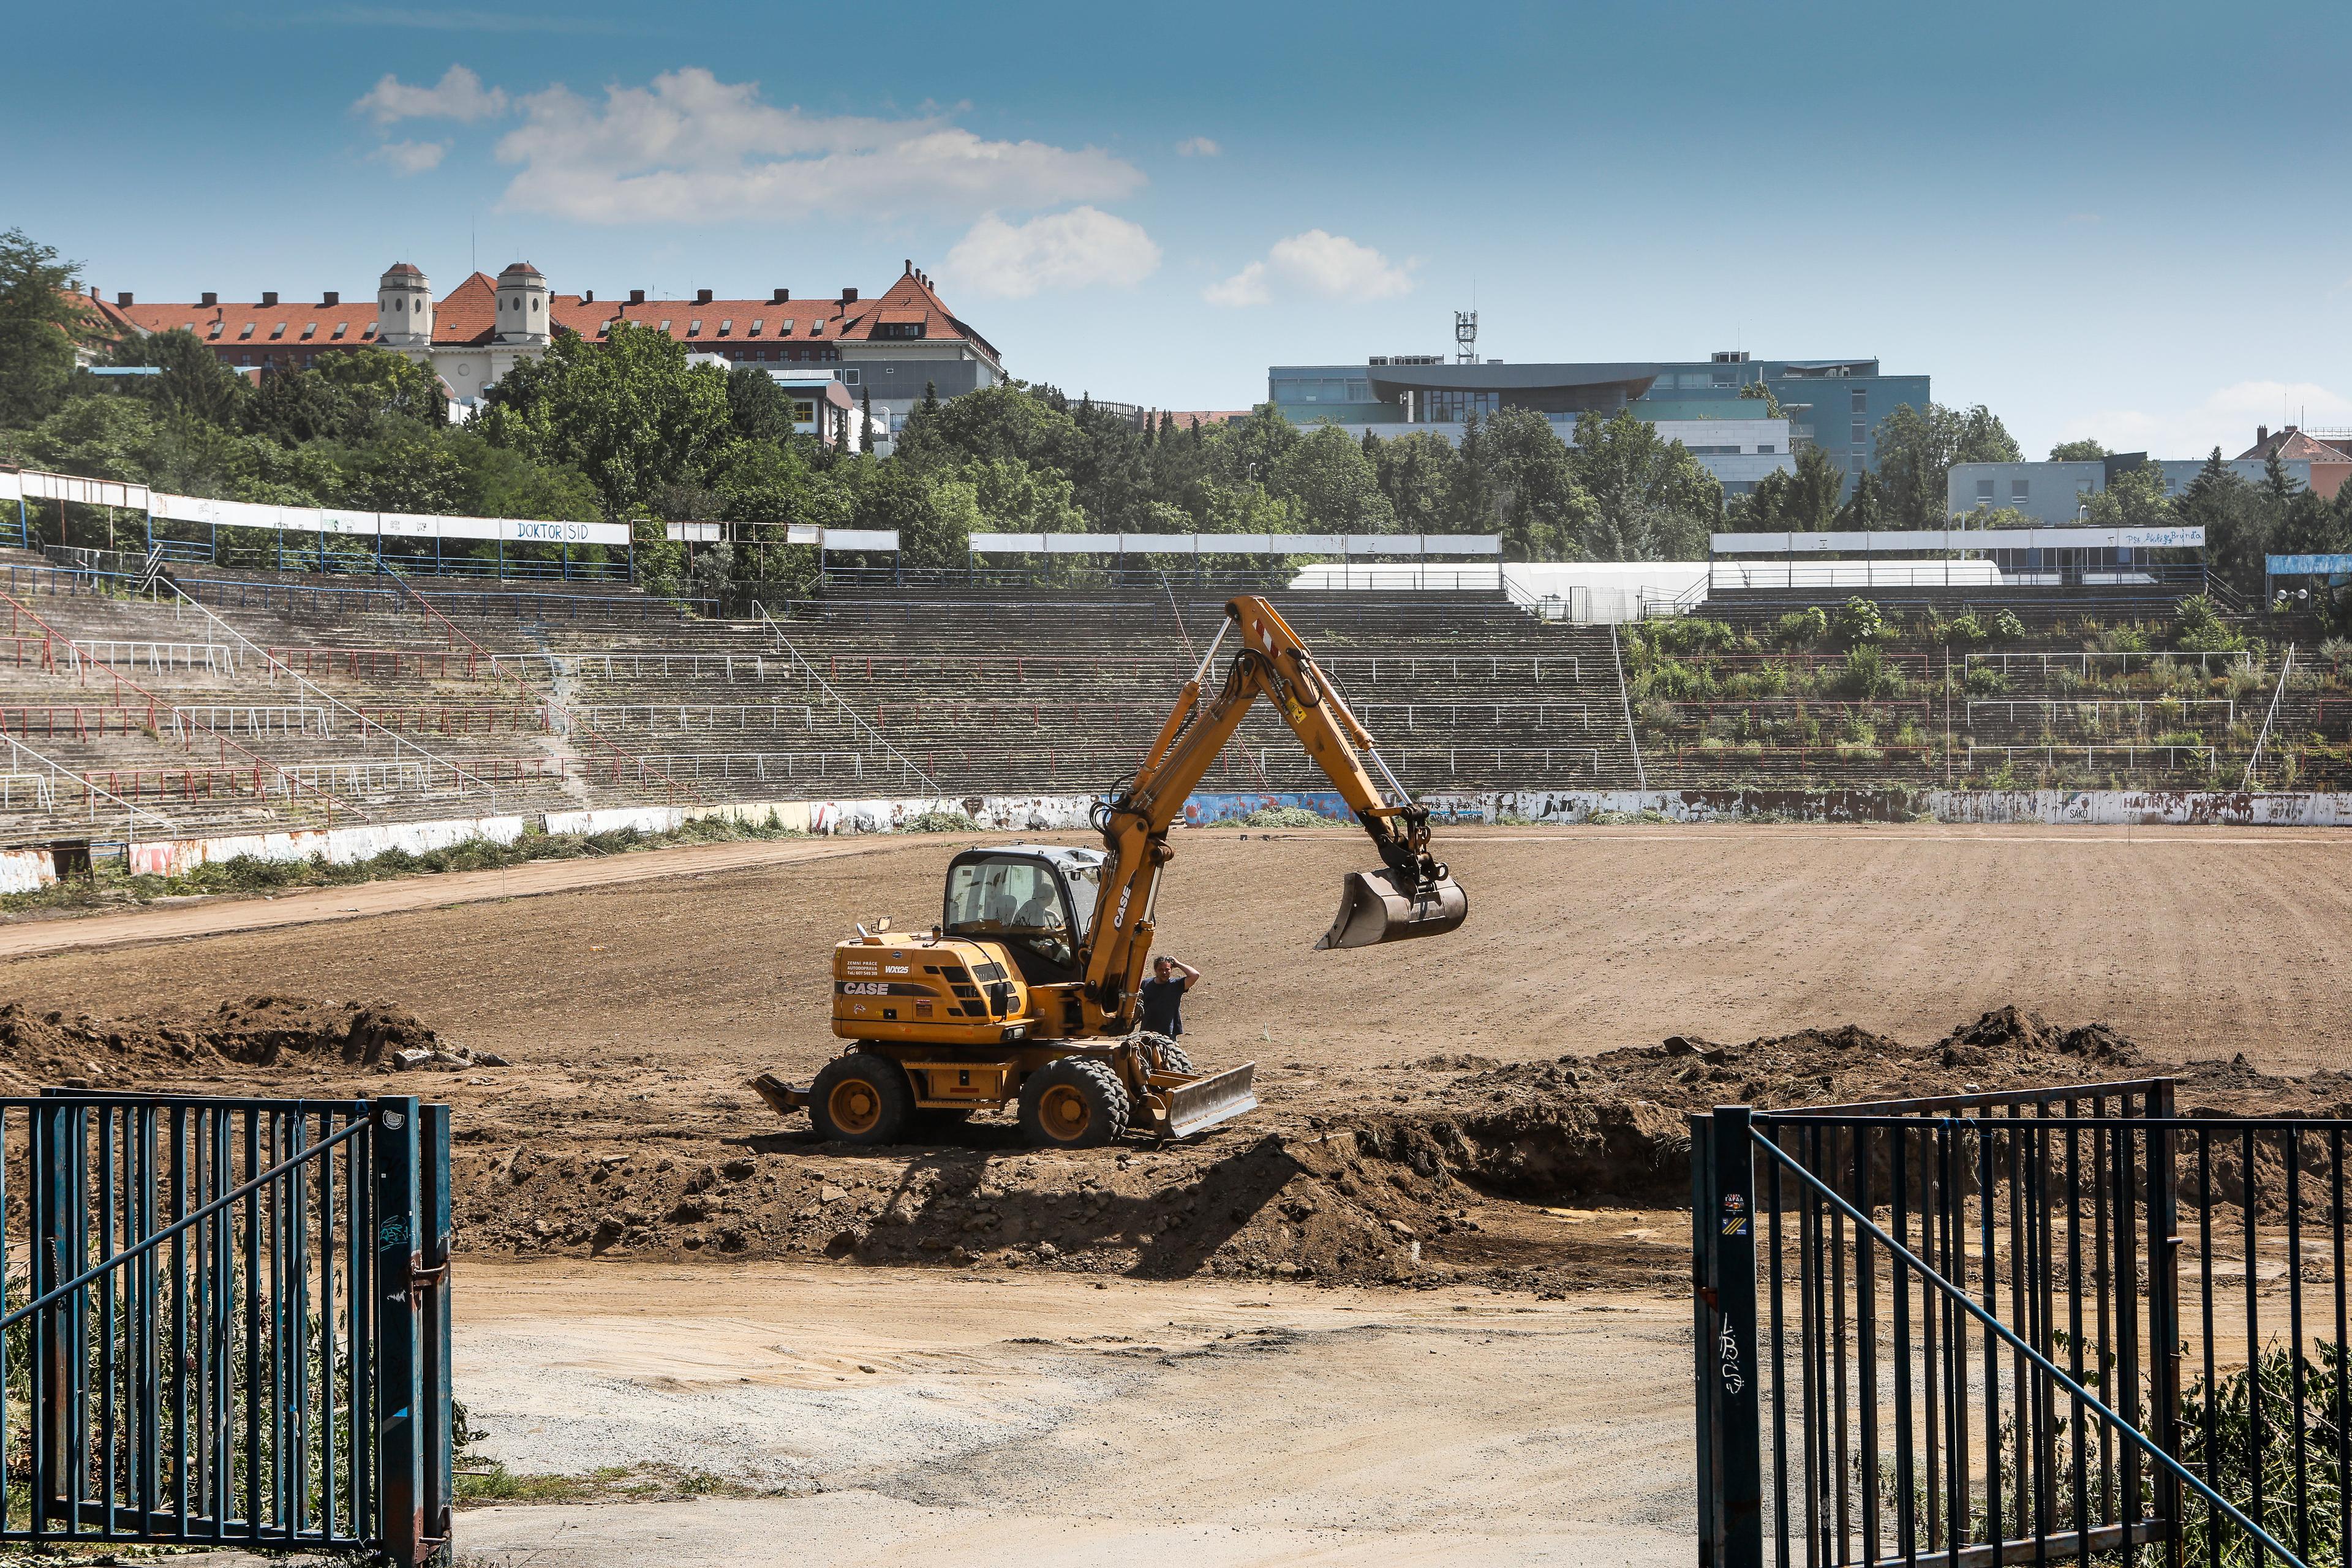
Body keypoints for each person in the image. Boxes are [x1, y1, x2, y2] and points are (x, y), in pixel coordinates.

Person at [1137, 955, 1199, 1038]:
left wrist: (1178, 964)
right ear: (1155, 970)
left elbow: (1195, 975)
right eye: (1161, 970)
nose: (1164, 973)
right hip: (1147, 1032)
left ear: (1171, 970)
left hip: (1169, 1034)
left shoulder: (1176, 985)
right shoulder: (1145, 984)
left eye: (1167, 969)